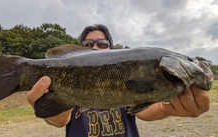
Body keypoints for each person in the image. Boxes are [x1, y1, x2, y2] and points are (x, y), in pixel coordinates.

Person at [27, 24, 210, 137]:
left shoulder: (127, 77)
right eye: (88, 45)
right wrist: (52, 115)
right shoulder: (66, 79)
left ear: (113, 50)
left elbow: (146, 111)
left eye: (102, 44)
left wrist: (170, 108)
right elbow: (61, 120)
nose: (96, 48)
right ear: (78, 51)